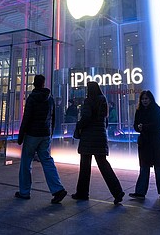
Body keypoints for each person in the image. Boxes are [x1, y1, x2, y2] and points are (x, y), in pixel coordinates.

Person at [15, 74, 68, 204]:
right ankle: (57, 189)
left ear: (34, 83)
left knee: (26, 162)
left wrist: (21, 136)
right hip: (45, 134)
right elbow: (54, 117)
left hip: (32, 134)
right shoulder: (50, 99)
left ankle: (24, 192)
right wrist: (50, 133)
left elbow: (26, 118)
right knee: (47, 161)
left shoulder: (32, 98)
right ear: (44, 84)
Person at [71, 81, 124, 204]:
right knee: (103, 165)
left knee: (85, 166)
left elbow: (86, 117)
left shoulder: (89, 101)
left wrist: (78, 125)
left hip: (89, 137)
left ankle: (82, 193)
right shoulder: (103, 100)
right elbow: (105, 121)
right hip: (100, 136)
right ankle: (117, 191)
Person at [129, 90, 160, 200]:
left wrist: (145, 127)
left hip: (156, 142)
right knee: (144, 168)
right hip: (144, 143)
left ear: (151, 99)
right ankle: (140, 192)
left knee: (159, 167)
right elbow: (135, 125)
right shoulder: (139, 111)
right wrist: (138, 128)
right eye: (143, 99)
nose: (144, 101)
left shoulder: (156, 109)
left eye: (146, 98)